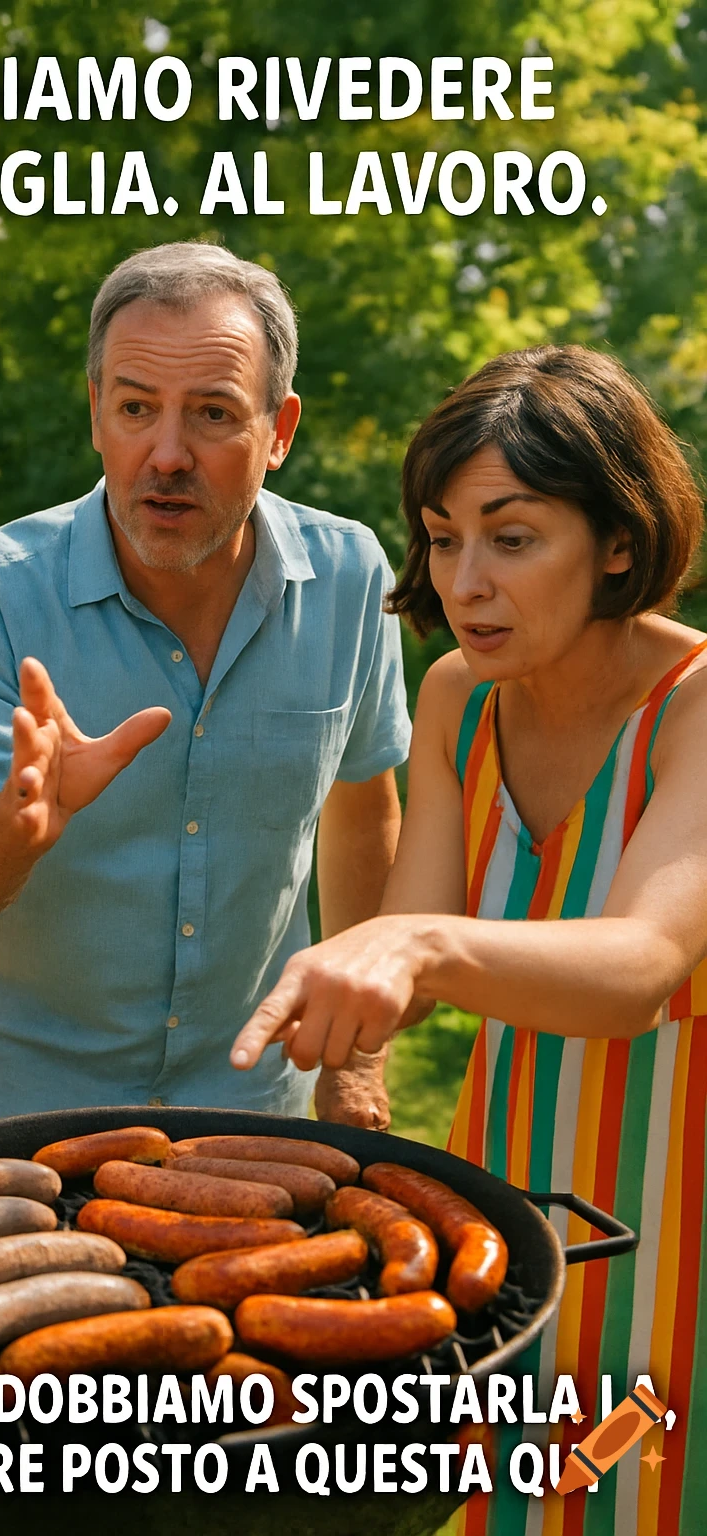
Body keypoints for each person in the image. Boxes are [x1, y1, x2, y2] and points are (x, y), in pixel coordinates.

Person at [231, 344, 707, 1534]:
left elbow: (640, 970)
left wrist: (414, 948)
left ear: (616, 537)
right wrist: (343, 1013)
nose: (463, 581)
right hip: (507, 1210)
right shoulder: (456, 696)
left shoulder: (697, 706)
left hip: (678, 1231)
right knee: (517, 1504)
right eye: (443, 537)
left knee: (641, 1497)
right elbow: (417, 960)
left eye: (511, 535)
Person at [0, 240, 410, 1131]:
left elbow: (364, 811)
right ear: (97, 413)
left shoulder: (352, 576)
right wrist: (20, 825)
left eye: (213, 414)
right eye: (136, 408)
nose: (166, 454)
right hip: (20, 1109)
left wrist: (355, 1058)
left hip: (255, 1106)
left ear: (279, 431)